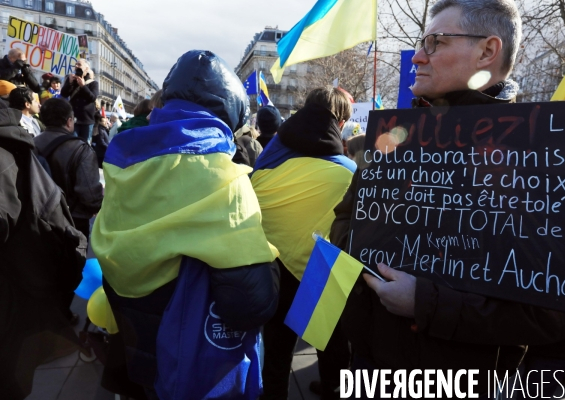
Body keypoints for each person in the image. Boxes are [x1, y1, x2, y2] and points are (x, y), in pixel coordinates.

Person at [330, 0, 565, 397]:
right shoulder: (393, 139)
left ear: (488, 51)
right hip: (369, 369)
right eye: (422, 42)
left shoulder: (547, 159)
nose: (417, 56)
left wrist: (426, 302)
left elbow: (558, 312)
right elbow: (345, 221)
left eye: (435, 42)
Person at [92, 50, 280, 400]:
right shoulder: (222, 176)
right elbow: (251, 304)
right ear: (229, 113)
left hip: (134, 344)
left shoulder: (122, 157)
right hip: (188, 360)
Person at [252, 87, 356, 400]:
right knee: (331, 345)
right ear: (338, 122)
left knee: (277, 348)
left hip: (273, 266)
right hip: (324, 269)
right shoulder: (349, 172)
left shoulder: (267, 160)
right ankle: (331, 389)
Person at [0, 105, 85, 399]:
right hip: (22, 293)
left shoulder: (21, 151)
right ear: (70, 121)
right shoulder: (17, 155)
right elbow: (65, 218)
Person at [34, 98, 103, 241]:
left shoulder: (30, 144)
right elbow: (90, 195)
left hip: (35, 219)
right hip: (72, 223)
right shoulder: (81, 149)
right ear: (69, 121)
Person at [60, 59, 99, 144]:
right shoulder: (72, 80)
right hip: (74, 118)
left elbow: (92, 98)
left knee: (86, 144)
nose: (77, 66)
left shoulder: (93, 83)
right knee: (73, 143)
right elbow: (64, 94)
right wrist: (69, 82)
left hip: (87, 120)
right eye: (76, 64)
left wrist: (83, 86)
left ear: (86, 68)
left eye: (79, 64)